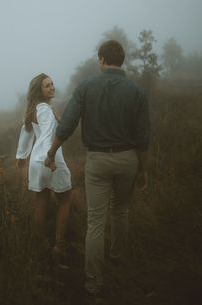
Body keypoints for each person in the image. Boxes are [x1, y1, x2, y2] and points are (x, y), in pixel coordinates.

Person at [45, 40, 150, 294]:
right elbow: (143, 139)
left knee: (95, 221)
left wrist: (51, 152)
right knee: (121, 210)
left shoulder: (86, 87)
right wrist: (143, 170)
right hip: (128, 160)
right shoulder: (137, 92)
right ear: (121, 60)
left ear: (102, 59)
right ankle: (117, 257)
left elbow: (67, 125)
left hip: (98, 161)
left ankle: (93, 285)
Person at [16, 73, 72, 261]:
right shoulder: (46, 110)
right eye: (47, 85)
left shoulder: (33, 109)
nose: (52, 87)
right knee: (65, 200)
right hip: (50, 159)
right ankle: (60, 246)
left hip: (36, 163)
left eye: (53, 84)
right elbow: (48, 134)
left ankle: (39, 246)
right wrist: (50, 157)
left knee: (41, 202)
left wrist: (21, 155)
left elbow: (26, 132)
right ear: (39, 90)